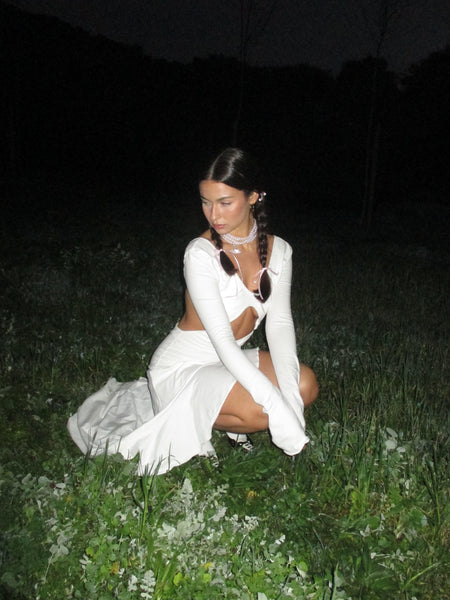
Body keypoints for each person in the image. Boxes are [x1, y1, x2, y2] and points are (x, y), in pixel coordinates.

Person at [68, 148, 318, 474]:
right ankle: (211, 423)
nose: (214, 215)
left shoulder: (280, 251)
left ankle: (225, 412)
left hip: (223, 363)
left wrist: (293, 410)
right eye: (205, 202)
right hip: (182, 370)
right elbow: (223, 342)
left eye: (225, 202)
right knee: (261, 408)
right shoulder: (200, 254)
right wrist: (276, 406)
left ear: (253, 196)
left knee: (304, 385)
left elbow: (280, 324)